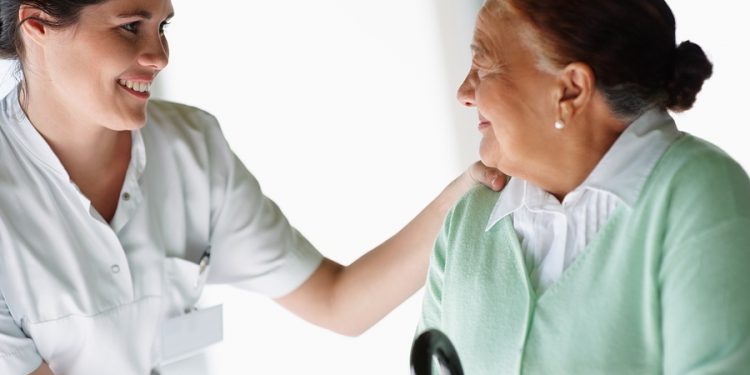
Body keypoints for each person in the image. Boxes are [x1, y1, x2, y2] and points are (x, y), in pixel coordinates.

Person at [0, 0, 506, 374]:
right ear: (39, 26)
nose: (159, 55)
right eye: (131, 27)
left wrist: (469, 188)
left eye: (163, 27)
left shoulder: (190, 147)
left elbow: (338, 301)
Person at [417, 0, 750, 373]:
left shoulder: (699, 195)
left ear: (570, 91)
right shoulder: (469, 221)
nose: (464, 92)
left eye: (483, 65)